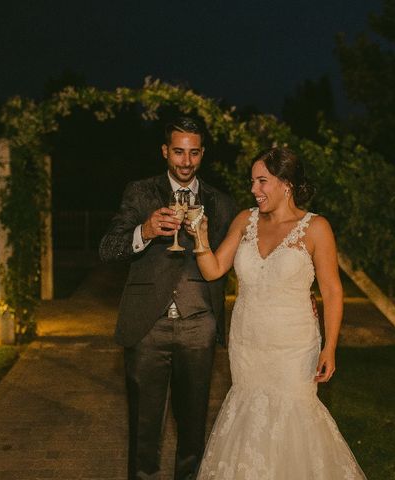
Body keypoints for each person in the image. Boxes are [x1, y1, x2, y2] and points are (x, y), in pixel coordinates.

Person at [189, 147, 366, 479]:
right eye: (252, 182)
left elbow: (332, 291)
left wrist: (330, 347)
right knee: (249, 416)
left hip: (294, 347)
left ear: (286, 184)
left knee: (293, 417)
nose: (254, 190)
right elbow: (213, 270)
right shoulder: (245, 220)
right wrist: (200, 238)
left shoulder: (316, 228)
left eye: (262, 181)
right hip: (247, 345)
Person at [99, 117, 237, 479]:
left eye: (194, 153)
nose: (186, 162)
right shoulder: (141, 193)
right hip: (148, 327)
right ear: (165, 151)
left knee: (193, 431)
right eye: (178, 152)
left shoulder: (222, 204)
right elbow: (108, 249)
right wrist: (144, 230)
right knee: (144, 432)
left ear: (202, 154)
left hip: (199, 327)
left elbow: (239, 262)